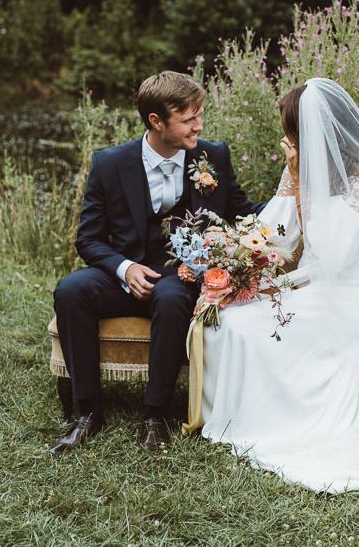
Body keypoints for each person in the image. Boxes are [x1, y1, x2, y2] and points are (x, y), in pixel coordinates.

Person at [202, 78, 359, 493]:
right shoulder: (304, 167)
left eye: (291, 133)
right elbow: (275, 232)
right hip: (315, 283)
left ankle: (274, 423)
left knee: (253, 330)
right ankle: (237, 416)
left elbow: (335, 253)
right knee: (231, 320)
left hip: (351, 291)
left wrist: (299, 180)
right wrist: (236, 259)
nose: (287, 141)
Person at [51, 71, 263, 455]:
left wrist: (292, 197)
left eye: (199, 115)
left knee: (170, 297)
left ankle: (154, 415)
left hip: (177, 278)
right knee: (71, 290)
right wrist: (124, 268)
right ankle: (88, 412)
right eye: (188, 119)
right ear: (156, 121)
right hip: (123, 275)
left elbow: (242, 213)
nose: (199, 125)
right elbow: (89, 238)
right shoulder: (109, 163)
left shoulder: (211, 156)